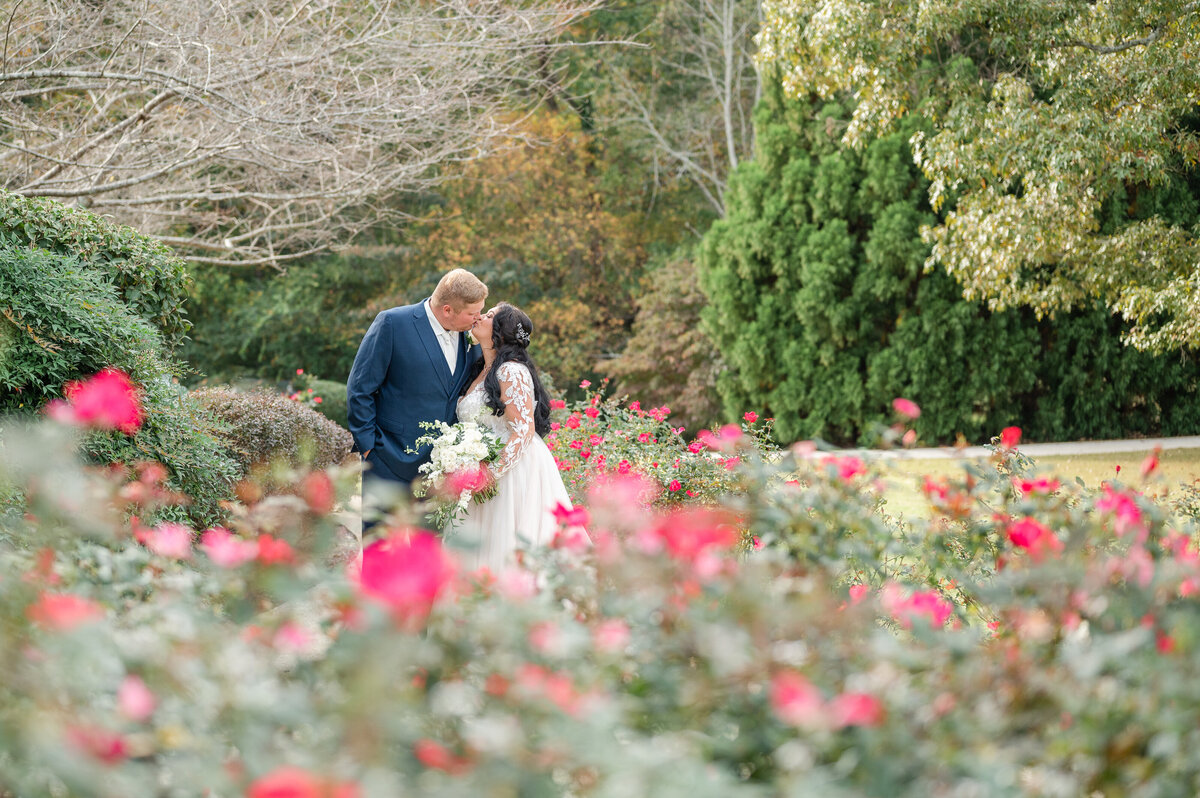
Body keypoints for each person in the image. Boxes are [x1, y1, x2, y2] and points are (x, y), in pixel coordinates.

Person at [346, 269, 487, 535]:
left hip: (440, 468)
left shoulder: (471, 336)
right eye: (473, 313)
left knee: (427, 557)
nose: (478, 318)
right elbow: (360, 388)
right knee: (382, 548)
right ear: (448, 309)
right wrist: (369, 449)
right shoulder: (392, 323)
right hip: (388, 459)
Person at [452, 303, 574, 572]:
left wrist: (491, 474)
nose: (481, 316)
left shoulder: (511, 371)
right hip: (483, 469)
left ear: (501, 333)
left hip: (511, 470)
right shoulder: (479, 369)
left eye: (490, 315)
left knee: (506, 547)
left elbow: (523, 431)